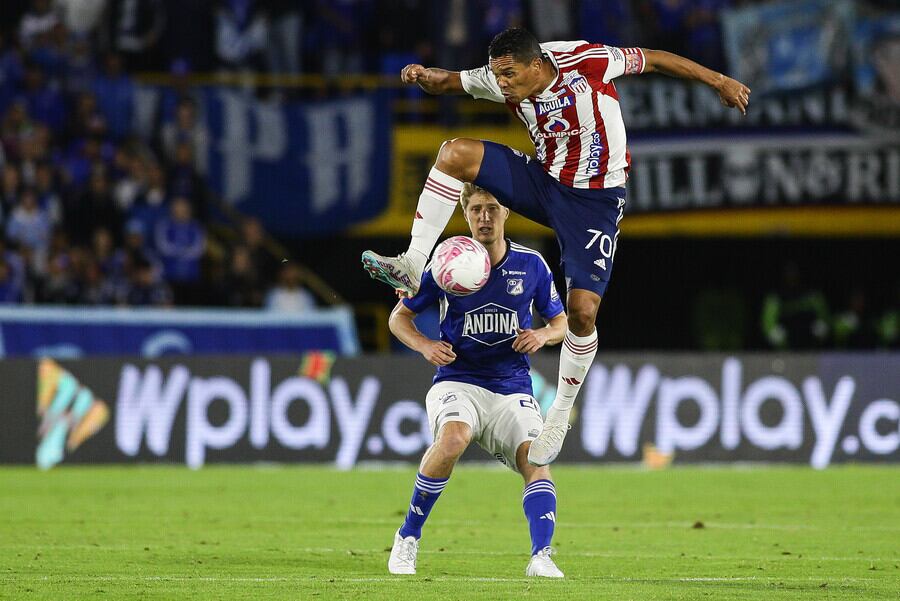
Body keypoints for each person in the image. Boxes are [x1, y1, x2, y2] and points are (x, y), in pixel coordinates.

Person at [362, 27, 751, 466]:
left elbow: (656, 57)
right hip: (545, 183)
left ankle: (559, 413)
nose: (502, 84)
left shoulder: (587, 61)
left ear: (536, 65)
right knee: (453, 154)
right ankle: (413, 263)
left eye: (509, 75)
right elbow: (455, 81)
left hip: (594, 201)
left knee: (582, 312)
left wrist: (719, 81)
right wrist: (429, 76)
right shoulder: (499, 76)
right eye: (497, 75)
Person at [387, 184, 568, 577]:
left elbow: (562, 323)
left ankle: (541, 557)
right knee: (452, 438)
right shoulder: (446, 263)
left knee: (536, 456)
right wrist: (424, 345)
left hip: (512, 385)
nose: (484, 217)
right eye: (475, 210)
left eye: (491, 209)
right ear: (465, 215)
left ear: (506, 212)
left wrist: (541, 335)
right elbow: (397, 318)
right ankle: (407, 538)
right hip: (458, 379)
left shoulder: (532, 264)